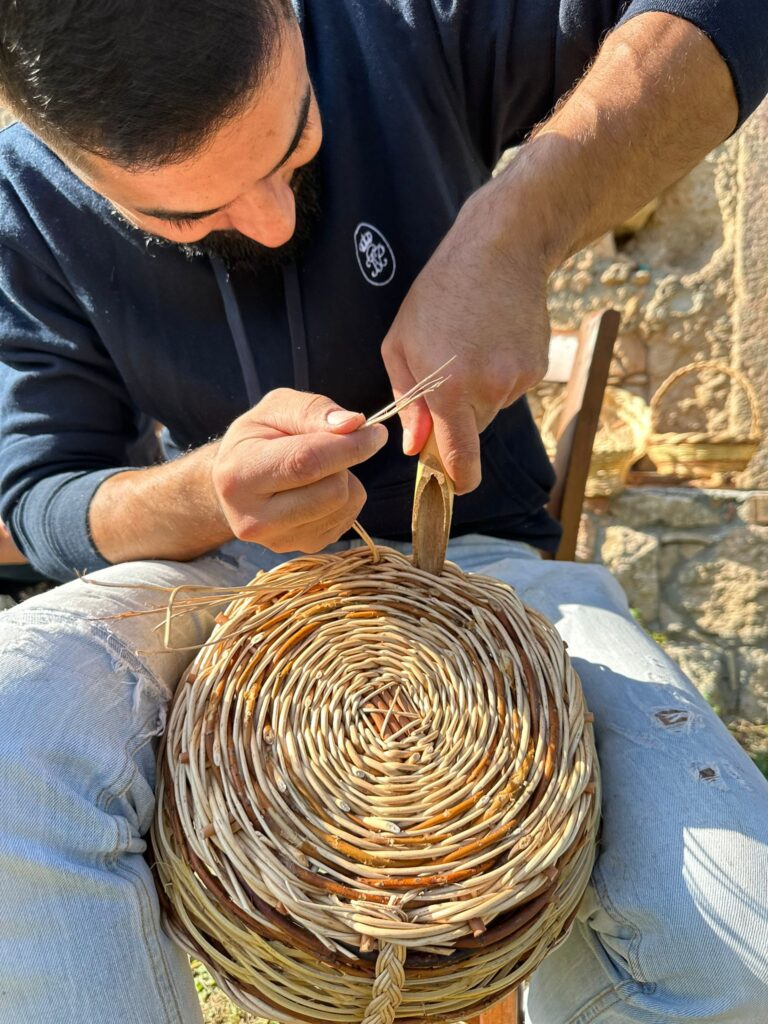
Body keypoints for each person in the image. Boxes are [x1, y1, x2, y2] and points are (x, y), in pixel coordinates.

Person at [0, 2, 766, 1022]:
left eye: (295, 137)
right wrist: (204, 488)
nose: (271, 219)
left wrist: (515, 224)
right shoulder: (23, 195)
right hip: (215, 582)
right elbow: (39, 493)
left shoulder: (402, 20)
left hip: (494, 574)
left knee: (737, 933)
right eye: (184, 216)